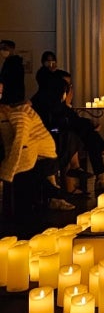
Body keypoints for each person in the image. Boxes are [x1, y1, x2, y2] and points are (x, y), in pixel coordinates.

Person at [0, 54, 74, 211]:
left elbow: (20, 144)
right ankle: (54, 195)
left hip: (38, 156)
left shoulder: (20, 112)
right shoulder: (14, 110)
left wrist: (7, 173)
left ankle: (54, 195)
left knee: (27, 175)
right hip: (36, 154)